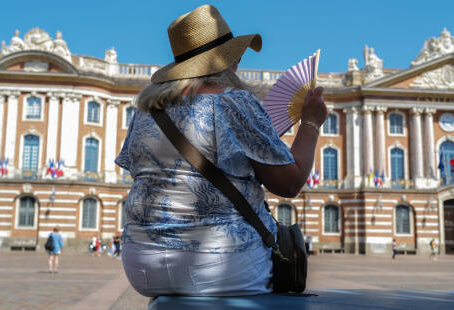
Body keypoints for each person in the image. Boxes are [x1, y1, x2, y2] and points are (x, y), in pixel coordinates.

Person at [116, 5, 326, 297]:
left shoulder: (146, 111)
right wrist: (311, 123)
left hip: (141, 265)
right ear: (230, 61)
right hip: (220, 265)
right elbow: (289, 183)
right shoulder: (235, 102)